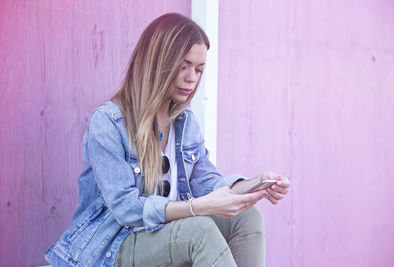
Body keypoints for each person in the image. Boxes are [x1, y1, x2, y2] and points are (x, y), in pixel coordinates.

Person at [45, 13, 290, 267]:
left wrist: (257, 184)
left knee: (248, 217)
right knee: (199, 231)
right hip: (114, 244)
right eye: (184, 66)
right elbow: (125, 209)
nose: (192, 78)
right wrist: (196, 208)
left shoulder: (185, 123)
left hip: (164, 237)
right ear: (157, 62)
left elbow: (211, 187)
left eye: (198, 69)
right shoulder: (108, 122)